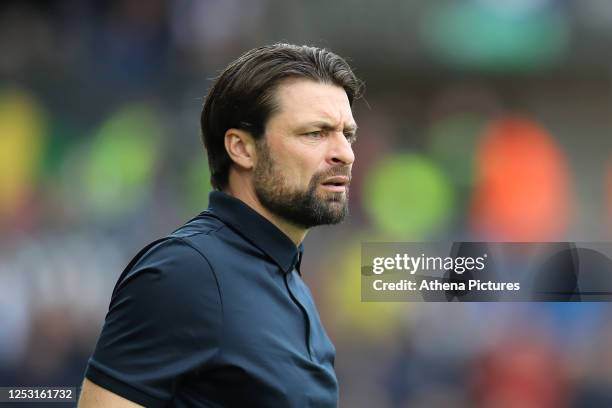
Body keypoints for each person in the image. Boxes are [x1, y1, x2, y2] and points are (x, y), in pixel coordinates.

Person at [78, 43, 362, 407]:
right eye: (315, 133)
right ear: (241, 148)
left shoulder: (287, 278)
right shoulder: (186, 271)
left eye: (347, 134)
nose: (345, 153)